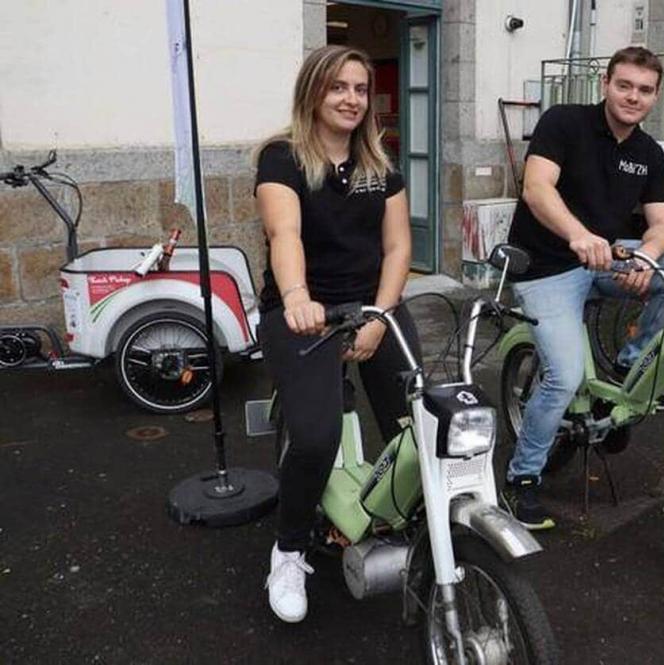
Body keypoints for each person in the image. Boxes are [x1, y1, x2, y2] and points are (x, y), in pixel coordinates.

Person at [254, 45, 419, 623]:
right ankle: (290, 547)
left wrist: (378, 313)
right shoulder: (282, 158)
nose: (351, 99)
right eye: (337, 88)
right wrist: (299, 298)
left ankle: (410, 525)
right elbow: (284, 235)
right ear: (313, 94)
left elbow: (399, 248)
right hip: (304, 310)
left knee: (420, 427)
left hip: (375, 304)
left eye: (359, 88)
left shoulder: (381, 166)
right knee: (318, 436)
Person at [504, 46, 664, 530]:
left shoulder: (649, 154)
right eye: (625, 85)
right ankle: (522, 478)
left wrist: (646, 256)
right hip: (547, 268)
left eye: (645, 90)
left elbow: (662, 225)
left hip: (606, 260)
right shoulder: (564, 123)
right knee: (564, 377)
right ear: (606, 84)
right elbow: (537, 188)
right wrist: (577, 234)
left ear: (656, 96)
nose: (633, 96)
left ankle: (633, 365)